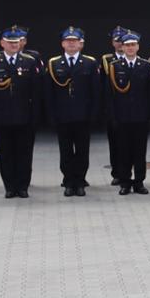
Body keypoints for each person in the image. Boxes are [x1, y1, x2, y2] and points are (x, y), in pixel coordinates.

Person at [0, 27, 42, 198]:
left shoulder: (29, 61)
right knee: (6, 154)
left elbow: (36, 92)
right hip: (2, 118)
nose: (13, 45)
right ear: (2, 43)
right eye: (10, 43)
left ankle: (23, 186)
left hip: (24, 117)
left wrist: (35, 117)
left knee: (24, 154)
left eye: (16, 43)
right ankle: (9, 187)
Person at [46, 28, 102, 197]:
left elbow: (95, 92)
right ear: (62, 43)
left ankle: (80, 181)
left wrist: (94, 114)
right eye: (68, 40)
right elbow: (49, 93)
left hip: (83, 115)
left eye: (74, 40)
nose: (71, 43)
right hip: (62, 115)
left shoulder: (90, 63)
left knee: (82, 151)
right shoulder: (54, 63)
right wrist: (51, 114)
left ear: (81, 44)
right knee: (65, 151)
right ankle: (68, 181)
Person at [105, 33, 150, 195]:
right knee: (123, 151)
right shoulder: (115, 66)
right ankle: (125, 182)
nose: (130, 48)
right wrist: (112, 116)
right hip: (122, 117)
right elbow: (110, 94)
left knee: (140, 151)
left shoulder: (146, 66)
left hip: (141, 116)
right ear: (122, 47)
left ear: (138, 47)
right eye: (127, 45)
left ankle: (139, 182)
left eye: (133, 45)